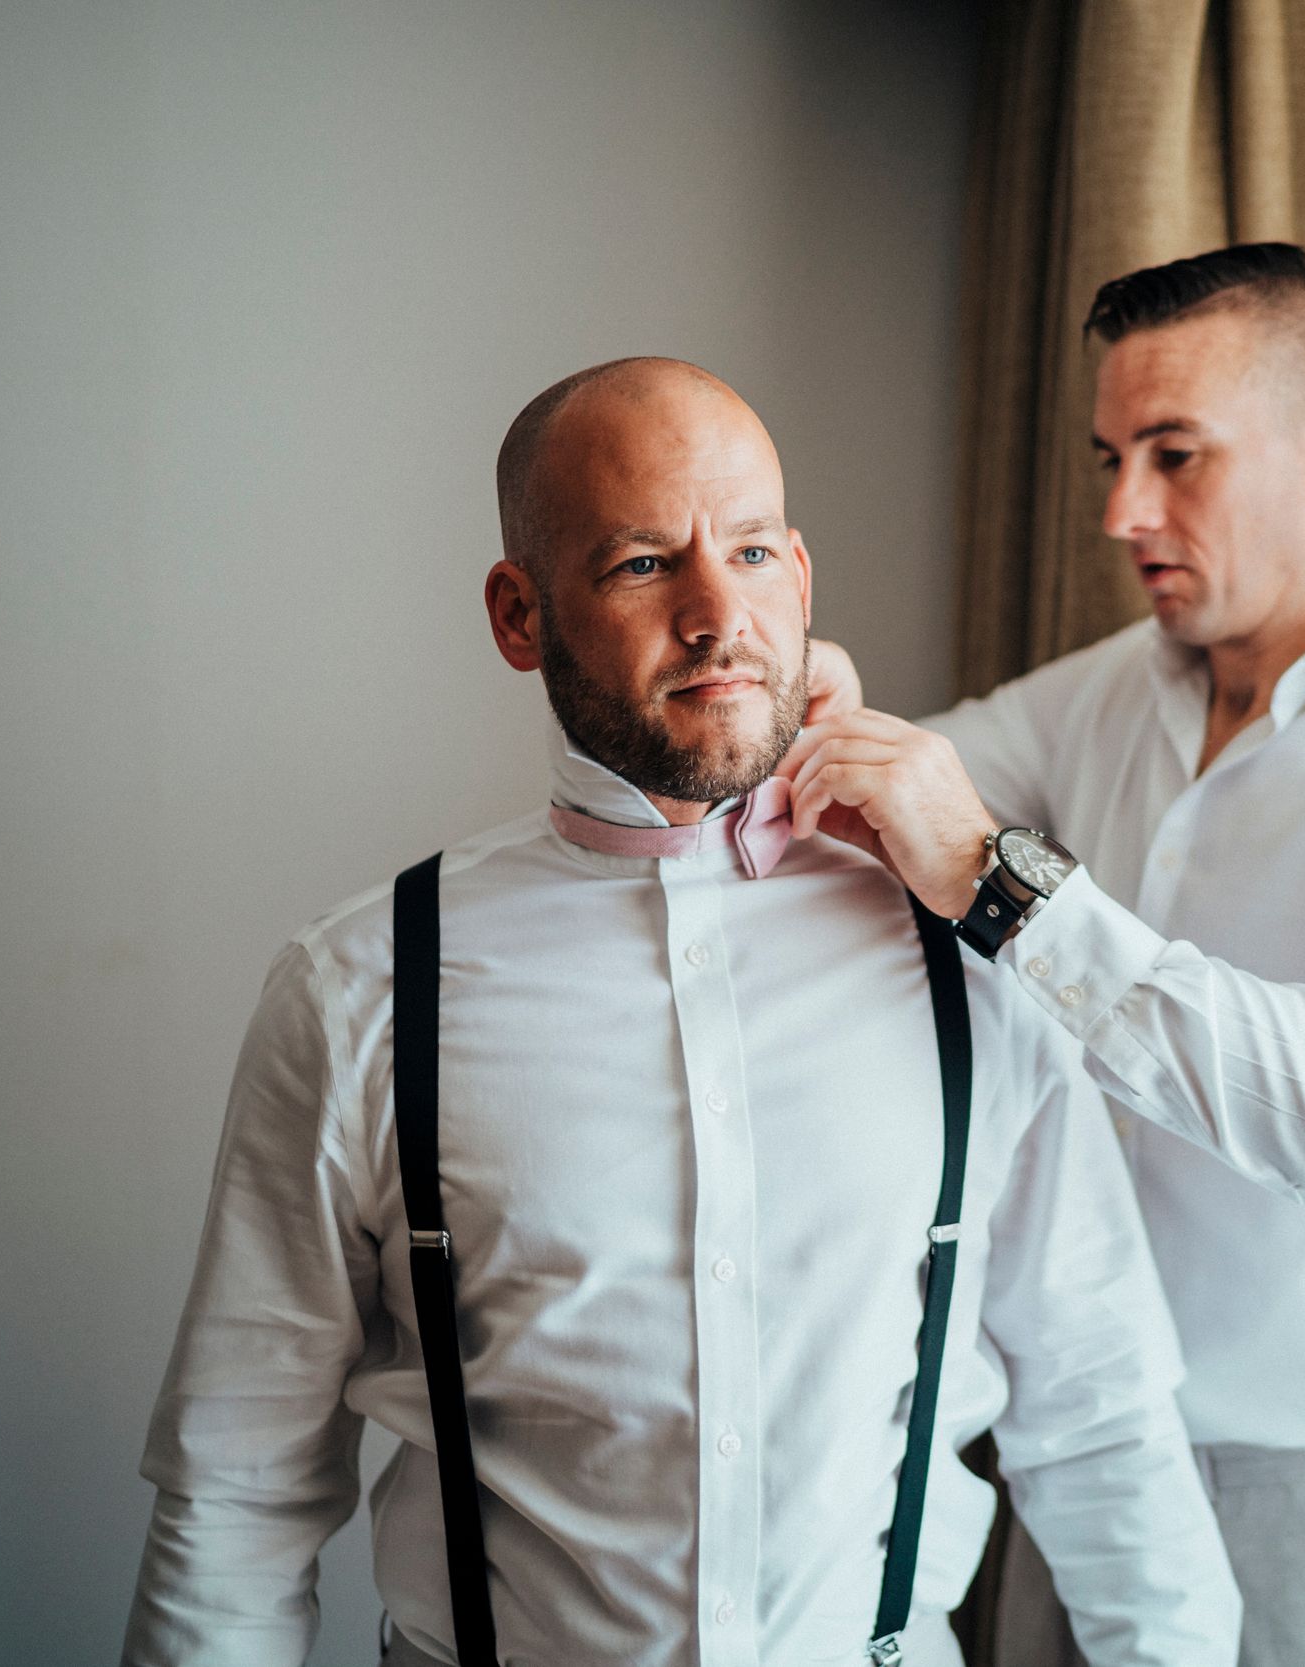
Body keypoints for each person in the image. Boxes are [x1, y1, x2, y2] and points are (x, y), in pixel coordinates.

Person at [118, 357, 1239, 1667]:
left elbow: (1105, 1430)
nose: (720, 616)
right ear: (519, 616)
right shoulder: (360, 989)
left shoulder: (971, 959)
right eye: (646, 563)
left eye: (752, 552)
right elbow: (238, 1493)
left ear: (799, 579)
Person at [785, 245, 1305, 1666]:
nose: (1121, 514)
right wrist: (812, 717)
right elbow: (869, 813)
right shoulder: (1100, 696)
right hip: (1079, 1476)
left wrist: (1012, 892)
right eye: (1112, 460)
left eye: (1176, 456)